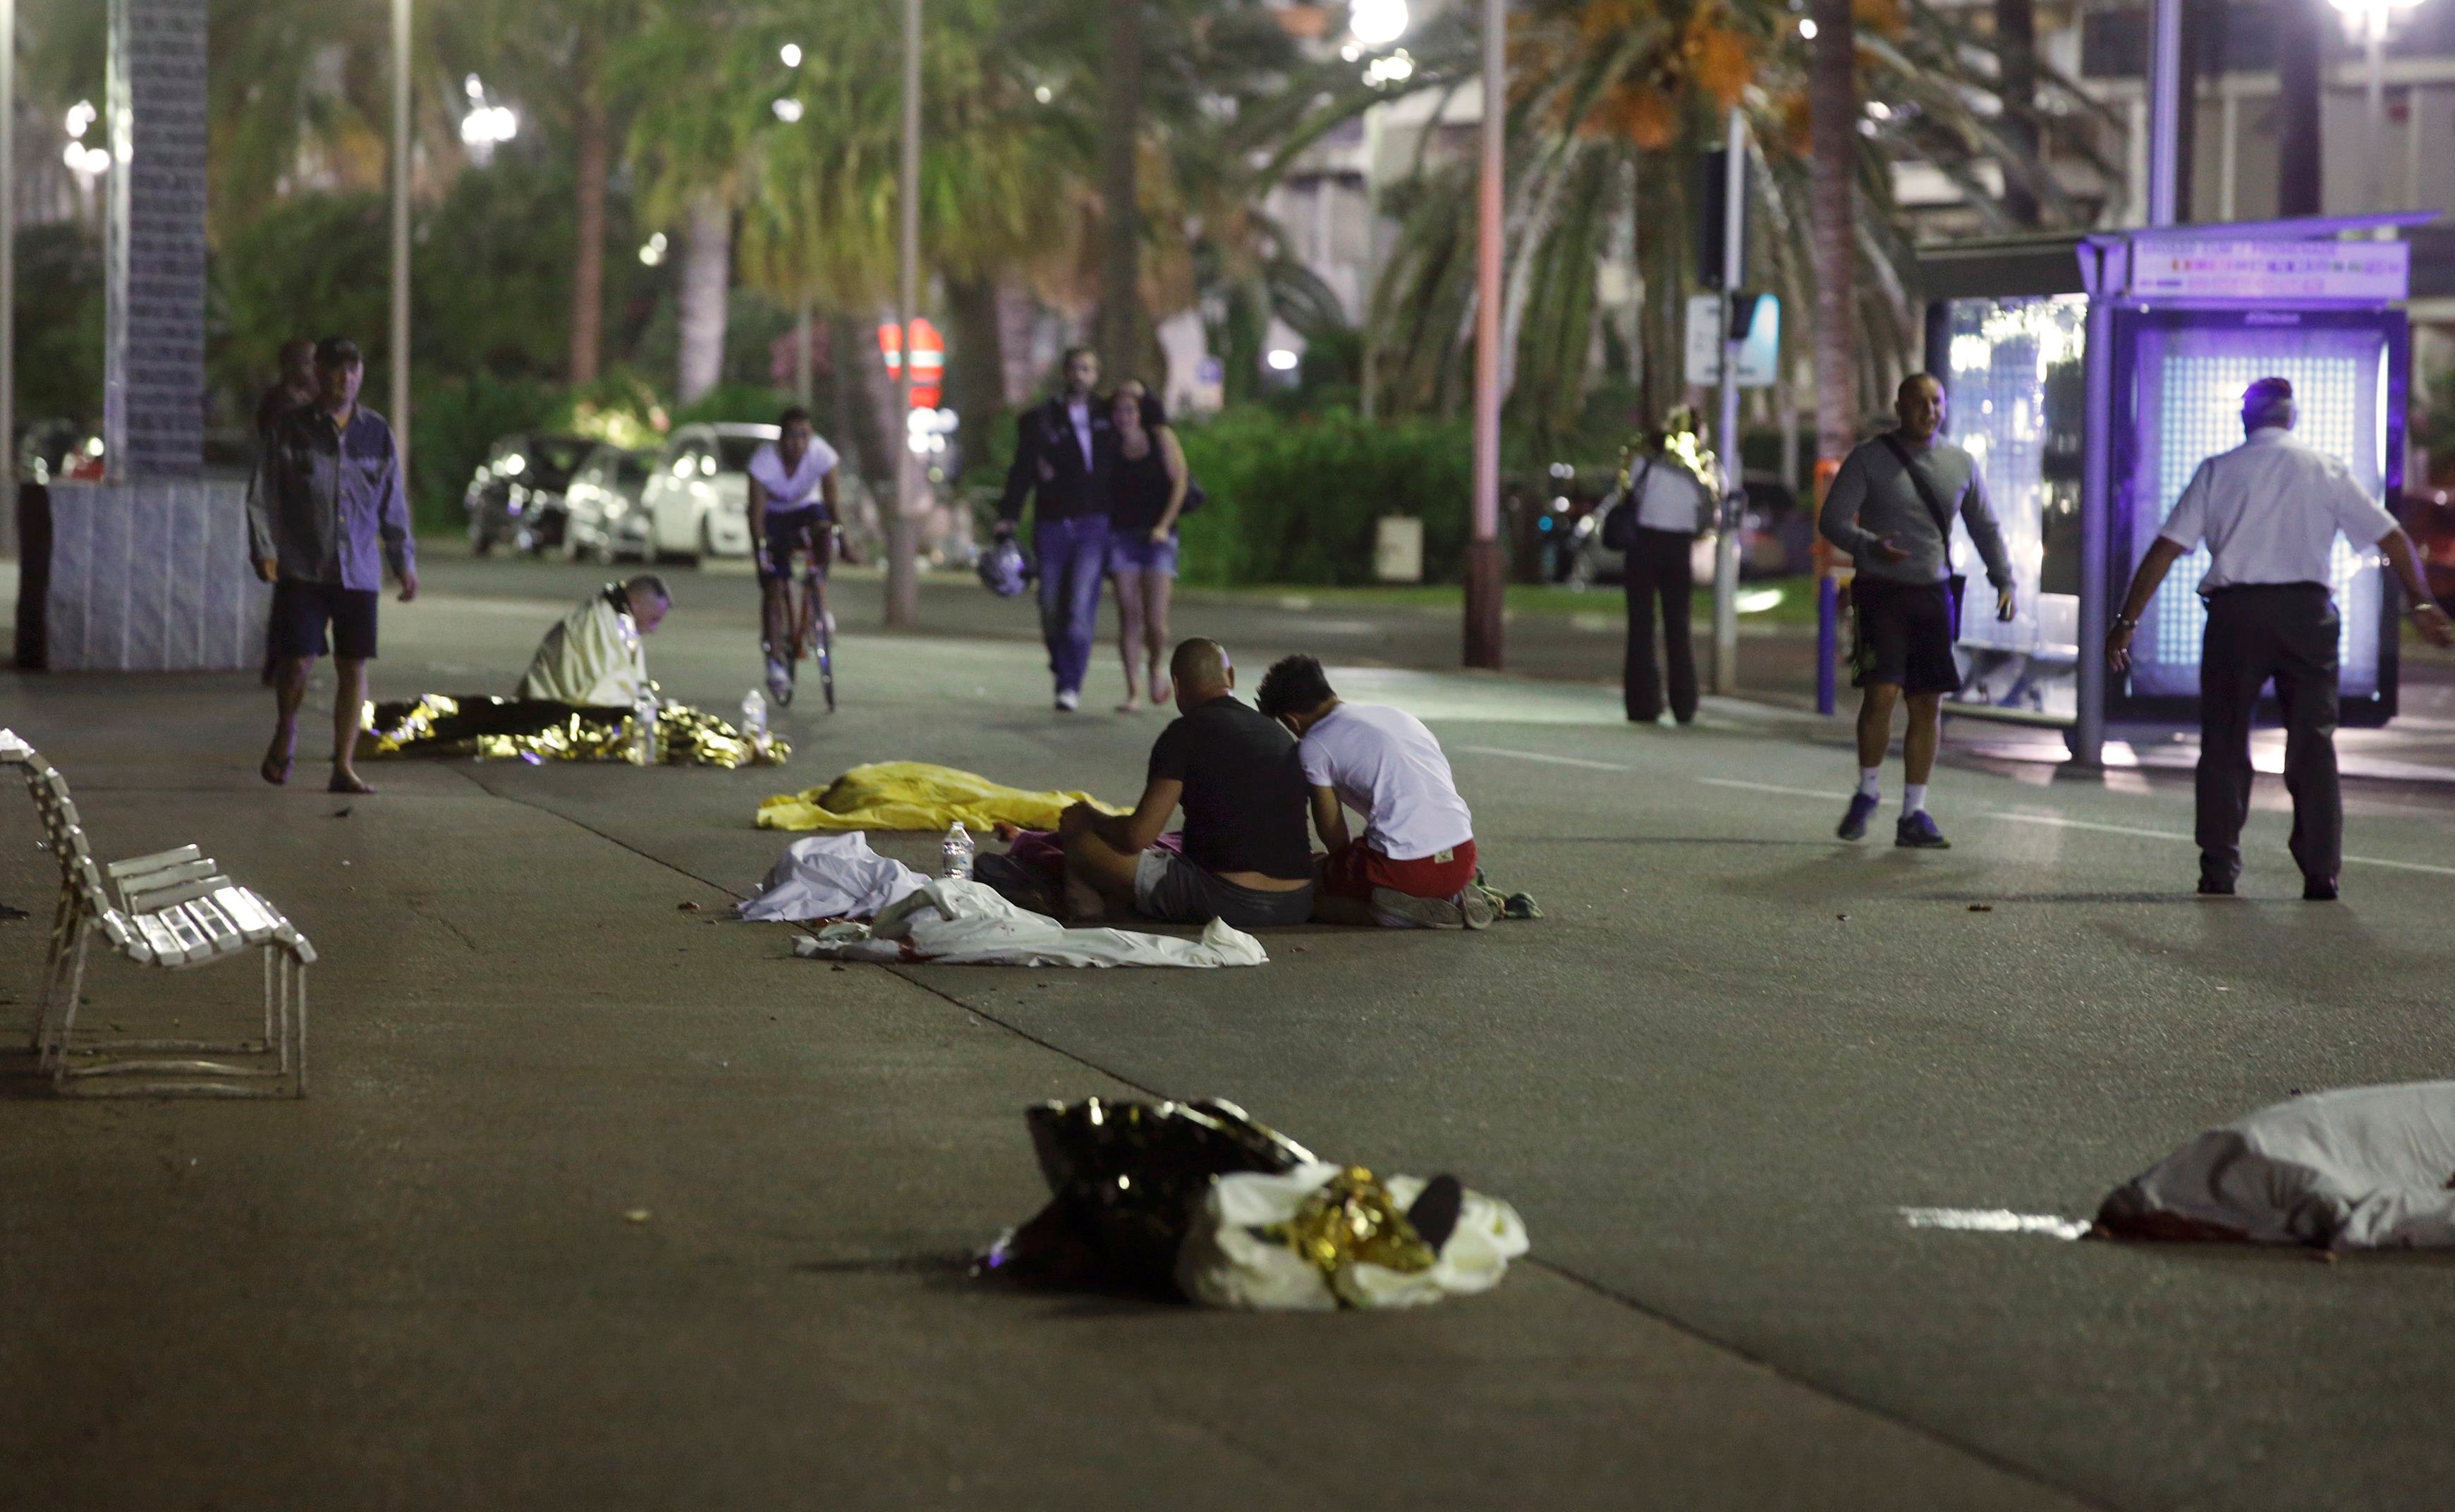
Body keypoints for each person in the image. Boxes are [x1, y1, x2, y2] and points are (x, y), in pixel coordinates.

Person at [2107, 377, 2454, 900]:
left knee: (2223, 743)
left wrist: (2126, 620)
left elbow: (2166, 548)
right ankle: (2321, 871)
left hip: (2235, 617)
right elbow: (2391, 537)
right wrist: (2421, 602)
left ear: (2245, 419)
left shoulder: (2217, 470)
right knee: (2312, 743)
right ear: (2291, 417)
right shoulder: (2325, 470)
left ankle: (2218, 868)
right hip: (2307, 618)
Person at [1819, 372, 2015, 848]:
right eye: (1919, 402)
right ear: (1899, 406)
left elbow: (1985, 527)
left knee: (1927, 702)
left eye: (1936, 402)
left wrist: (2003, 580)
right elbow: (1832, 520)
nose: (1929, 411)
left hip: (1932, 594)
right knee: (1881, 693)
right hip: (1879, 592)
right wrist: (1869, 545)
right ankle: (1867, 791)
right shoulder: (1869, 459)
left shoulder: (1959, 463)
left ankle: (1914, 813)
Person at [248, 336, 418, 795]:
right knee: (296, 660)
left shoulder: (376, 433)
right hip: (303, 567)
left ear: (361, 376)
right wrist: (265, 550)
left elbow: (392, 502)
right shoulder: (290, 428)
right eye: (335, 370)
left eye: (352, 371)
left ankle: (342, 766)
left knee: (353, 665)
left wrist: (403, 561)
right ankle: (286, 727)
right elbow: (264, 494)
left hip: (357, 569)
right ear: (318, 372)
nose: (344, 380)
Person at [1056, 638, 1315, 929]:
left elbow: (1137, 836)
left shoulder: (1184, 733)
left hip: (1226, 902)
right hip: (1297, 902)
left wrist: (1091, 816)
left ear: (1177, 685)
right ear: (1230, 677)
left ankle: (1087, 919)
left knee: (1082, 841)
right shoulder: (1276, 732)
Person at [1255, 654, 1492, 929]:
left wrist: (1338, 872)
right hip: (1462, 856)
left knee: (1308, 894)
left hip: (1408, 869)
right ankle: (1454, 894)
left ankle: (1398, 914)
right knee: (1358, 862)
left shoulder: (1315, 746)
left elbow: (1332, 830)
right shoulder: (1397, 716)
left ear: (1291, 721)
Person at [997, 346, 1116, 712]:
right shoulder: (1043, 418)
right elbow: (1022, 469)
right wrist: (1008, 516)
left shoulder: (1110, 415)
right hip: (1052, 525)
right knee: (1050, 604)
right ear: (1065, 373)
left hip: (1094, 526)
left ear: (1096, 375)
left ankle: (1069, 683)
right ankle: (1061, 658)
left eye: (1089, 369)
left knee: (1081, 605)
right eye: (1075, 368)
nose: (1081, 375)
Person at [1614, 410, 1715, 726]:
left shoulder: (1646, 457)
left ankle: (1643, 704)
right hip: (1679, 546)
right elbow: (1710, 507)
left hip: (1644, 543)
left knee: (1641, 626)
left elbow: (1627, 490)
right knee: (1678, 626)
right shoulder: (1700, 461)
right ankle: (1684, 703)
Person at [746, 407, 843, 703]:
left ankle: (818, 600)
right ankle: (775, 660)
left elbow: (832, 503)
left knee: (825, 529)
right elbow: (757, 515)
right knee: (774, 586)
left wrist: (843, 540)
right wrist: (762, 553)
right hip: (774, 516)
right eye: (791, 436)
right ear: (781, 438)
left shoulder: (822, 456)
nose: (797, 444)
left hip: (805, 510)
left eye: (804, 436)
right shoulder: (763, 463)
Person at [1105, 383, 1189, 712]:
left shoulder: (1160, 439)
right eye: (1117, 411)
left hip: (1158, 538)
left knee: (1155, 620)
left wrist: (1163, 526)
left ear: (1140, 413)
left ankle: (1156, 666)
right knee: (1129, 614)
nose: (1123, 417)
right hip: (1122, 537)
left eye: (1129, 410)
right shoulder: (1110, 445)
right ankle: (1133, 690)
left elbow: (1180, 481)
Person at [254, 339, 319, 686]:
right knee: (293, 592)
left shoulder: (304, 403)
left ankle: (283, 662)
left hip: (303, 511)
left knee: (293, 593)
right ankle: (281, 663)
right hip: (290, 510)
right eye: (308, 363)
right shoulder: (284, 405)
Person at [516, 574, 672, 707]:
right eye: (654, 620)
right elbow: (600, 691)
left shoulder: (620, 623)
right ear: (636, 603)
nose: (653, 629)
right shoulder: (593, 623)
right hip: (544, 714)